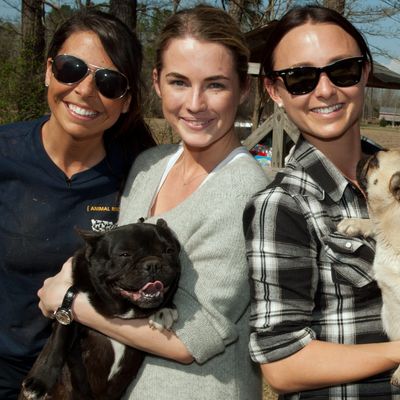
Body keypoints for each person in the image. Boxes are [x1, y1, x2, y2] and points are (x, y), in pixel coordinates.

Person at [37, 5, 270, 399]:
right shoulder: (149, 166)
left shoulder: (244, 193)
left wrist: (72, 302)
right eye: (180, 82)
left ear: (244, 89)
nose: (195, 103)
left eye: (215, 85)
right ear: (158, 82)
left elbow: (191, 340)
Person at [243, 4, 400, 399]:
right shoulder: (282, 205)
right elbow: (281, 363)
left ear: (365, 73)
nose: (325, 90)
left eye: (342, 70)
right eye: (300, 79)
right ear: (275, 91)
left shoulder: (392, 178)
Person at [0, 9, 155, 399]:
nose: (85, 90)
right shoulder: (6, 154)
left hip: (85, 382)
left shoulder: (139, 178)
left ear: (125, 100)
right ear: (49, 70)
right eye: (72, 68)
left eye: (108, 81)